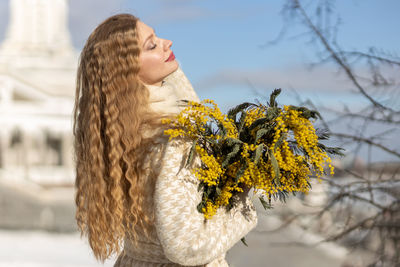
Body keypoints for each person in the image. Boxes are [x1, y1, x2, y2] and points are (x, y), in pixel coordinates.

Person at [73, 13, 258, 267]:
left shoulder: (121, 135)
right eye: (152, 44)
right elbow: (187, 247)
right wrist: (241, 204)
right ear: (128, 71)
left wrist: (166, 64)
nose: (168, 42)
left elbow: (191, 110)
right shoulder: (174, 141)